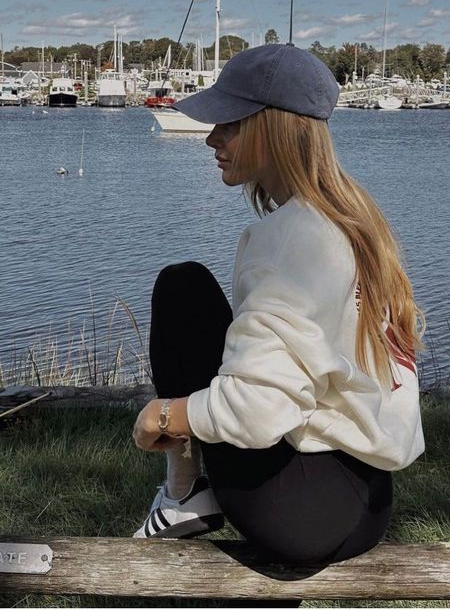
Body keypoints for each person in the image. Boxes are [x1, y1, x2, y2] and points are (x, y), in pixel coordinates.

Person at [132, 43, 425, 565]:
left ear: (274, 129)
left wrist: (165, 416)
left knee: (183, 287)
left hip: (302, 512)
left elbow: (259, 410)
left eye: (229, 123)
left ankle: (182, 494)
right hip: (369, 502)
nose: (211, 138)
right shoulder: (354, 219)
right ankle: (188, 497)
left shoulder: (292, 238)